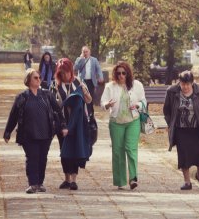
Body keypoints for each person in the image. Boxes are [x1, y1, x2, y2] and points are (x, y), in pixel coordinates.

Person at [3, 68, 66, 194]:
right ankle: (33, 184)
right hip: (28, 134)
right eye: (35, 78)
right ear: (28, 80)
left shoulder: (47, 95)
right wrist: (7, 132)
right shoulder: (22, 97)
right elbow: (13, 115)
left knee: (42, 158)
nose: (39, 80)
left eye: (39, 78)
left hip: (46, 132)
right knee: (32, 158)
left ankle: (40, 183)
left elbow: (58, 110)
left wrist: (63, 125)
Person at [163, 70, 199, 190]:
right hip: (181, 129)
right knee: (183, 155)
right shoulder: (172, 91)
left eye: (188, 84)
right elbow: (166, 110)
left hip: (198, 128)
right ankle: (187, 182)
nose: (185, 87)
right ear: (179, 82)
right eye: (183, 84)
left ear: (192, 82)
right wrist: (171, 123)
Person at [101, 61, 145, 190]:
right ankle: (120, 180)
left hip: (133, 120)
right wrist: (107, 105)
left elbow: (143, 101)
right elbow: (103, 102)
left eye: (123, 73)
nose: (121, 76)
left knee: (131, 149)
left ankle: (133, 178)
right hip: (116, 122)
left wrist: (138, 105)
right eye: (118, 73)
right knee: (118, 151)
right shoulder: (110, 86)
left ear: (128, 73)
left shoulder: (137, 85)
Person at [51, 58, 94, 190]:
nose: (65, 75)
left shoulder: (79, 82)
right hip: (62, 122)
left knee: (75, 149)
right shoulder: (55, 85)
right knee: (63, 150)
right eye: (62, 73)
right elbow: (52, 104)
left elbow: (89, 100)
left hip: (77, 123)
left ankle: (74, 179)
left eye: (67, 72)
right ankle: (66, 179)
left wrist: (85, 92)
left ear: (71, 70)